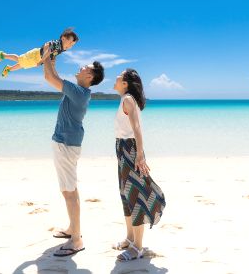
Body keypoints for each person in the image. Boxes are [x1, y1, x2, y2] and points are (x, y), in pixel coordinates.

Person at [40, 43, 104, 257]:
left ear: (90, 76)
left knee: (68, 192)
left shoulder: (79, 92)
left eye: (85, 67)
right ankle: (72, 229)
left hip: (66, 144)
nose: (80, 66)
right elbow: (53, 76)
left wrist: (47, 55)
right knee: (70, 189)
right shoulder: (79, 91)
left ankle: (76, 240)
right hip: (66, 142)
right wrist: (49, 60)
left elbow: (50, 79)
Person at [112, 68, 166, 261]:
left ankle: (138, 247)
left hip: (129, 149)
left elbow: (136, 128)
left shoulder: (127, 99)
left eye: (119, 76)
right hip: (122, 148)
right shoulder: (126, 99)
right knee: (125, 194)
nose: (115, 78)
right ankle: (130, 237)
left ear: (125, 83)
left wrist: (140, 155)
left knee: (134, 195)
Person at [0, 27, 78, 77]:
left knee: (23, 64)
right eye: (70, 42)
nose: (70, 46)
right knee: (20, 59)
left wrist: (52, 60)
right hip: (36, 55)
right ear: (63, 38)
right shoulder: (57, 43)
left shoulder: (61, 48)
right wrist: (41, 61)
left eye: (72, 45)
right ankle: (3, 55)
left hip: (38, 59)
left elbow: (53, 54)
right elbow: (48, 50)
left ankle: (9, 68)